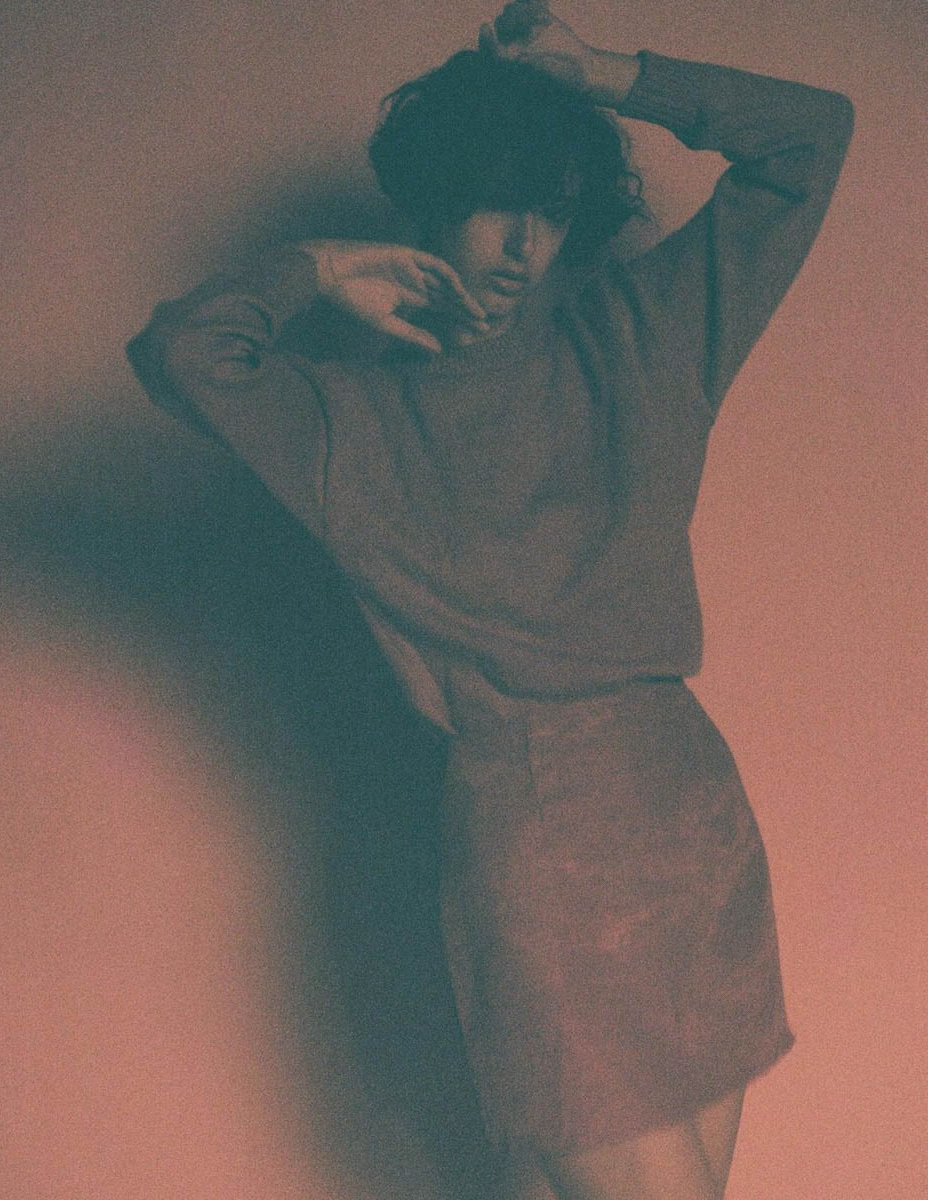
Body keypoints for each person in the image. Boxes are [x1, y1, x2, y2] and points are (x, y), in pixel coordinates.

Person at [127, 3, 853, 1197]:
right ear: (428, 202)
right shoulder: (346, 421)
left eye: (553, 210)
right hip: (537, 839)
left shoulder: (643, 335)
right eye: (493, 203)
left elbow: (809, 135)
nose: (523, 245)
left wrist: (600, 71)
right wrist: (318, 267)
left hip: (687, 813)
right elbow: (180, 354)